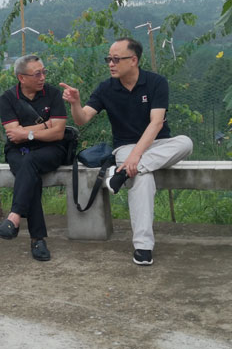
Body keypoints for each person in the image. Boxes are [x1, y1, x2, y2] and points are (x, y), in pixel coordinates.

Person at [60, 37, 193, 266]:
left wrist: (135, 159)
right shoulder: (105, 88)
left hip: (158, 144)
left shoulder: (156, 83)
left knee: (186, 143)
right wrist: (75, 103)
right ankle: (143, 247)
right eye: (108, 59)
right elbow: (82, 120)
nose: (110, 63)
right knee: (142, 177)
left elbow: (156, 123)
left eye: (116, 59)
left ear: (133, 60)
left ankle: (121, 174)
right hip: (126, 147)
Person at [0, 55, 67, 261]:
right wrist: (45, 125)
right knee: (30, 173)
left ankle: (14, 217)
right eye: (37, 74)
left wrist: (27, 133)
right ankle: (37, 240)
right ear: (21, 78)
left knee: (30, 164)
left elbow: (59, 132)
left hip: (51, 150)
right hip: (18, 152)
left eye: (44, 72)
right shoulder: (8, 98)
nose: (42, 77)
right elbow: (12, 135)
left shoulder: (52, 93)